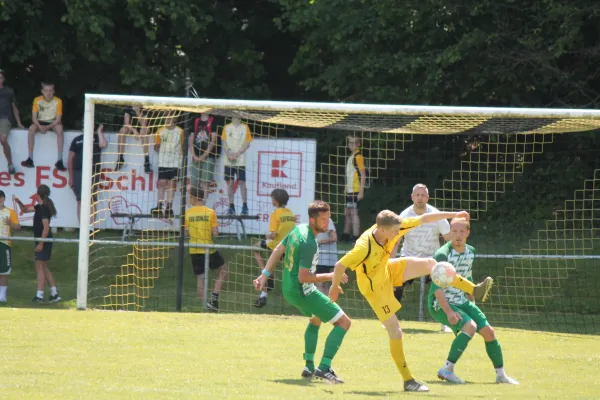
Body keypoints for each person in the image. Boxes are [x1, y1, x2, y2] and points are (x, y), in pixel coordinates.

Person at [330, 209, 494, 392]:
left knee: (433, 265)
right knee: (396, 332)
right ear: (382, 230)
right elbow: (340, 265)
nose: (397, 235)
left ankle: (474, 289)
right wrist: (334, 287)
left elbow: (425, 218)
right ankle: (408, 380)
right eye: (394, 232)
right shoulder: (364, 246)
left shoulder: (395, 226)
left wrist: (452, 214)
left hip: (387, 269)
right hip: (375, 289)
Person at [253, 200, 351, 384]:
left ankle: (309, 365)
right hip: (302, 291)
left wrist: (264, 275)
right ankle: (324, 368)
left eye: (328, 218)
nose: (327, 222)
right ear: (312, 220)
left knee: (315, 319)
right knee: (344, 323)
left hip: (289, 289)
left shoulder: (298, 230)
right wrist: (331, 275)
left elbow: (277, 249)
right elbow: (304, 277)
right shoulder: (309, 243)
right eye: (323, 219)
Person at [429, 217, 519, 385]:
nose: (458, 235)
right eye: (454, 231)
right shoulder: (442, 254)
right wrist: (449, 313)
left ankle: (501, 376)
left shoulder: (470, 251)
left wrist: (473, 304)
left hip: (461, 301)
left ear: (468, 233)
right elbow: (437, 289)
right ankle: (446, 369)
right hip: (440, 303)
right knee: (470, 327)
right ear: (449, 233)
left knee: (489, 332)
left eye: (462, 231)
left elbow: (467, 280)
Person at [396, 183, 452, 332]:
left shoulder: (436, 215)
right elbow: (395, 240)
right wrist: (389, 260)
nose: (420, 198)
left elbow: (449, 238)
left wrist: (447, 258)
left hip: (431, 259)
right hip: (408, 257)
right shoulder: (404, 216)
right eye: (417, 195)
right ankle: (390, 319)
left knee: (442, 285)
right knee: (395, 282)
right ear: (412, 197)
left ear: (427, 198)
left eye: (423, 195)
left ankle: (445, 322)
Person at [14, 185, 61, 303]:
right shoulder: (39, 207)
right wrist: (19, 202)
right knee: (43, 267)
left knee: (39, 267)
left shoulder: (44, 208)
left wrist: (41, 243)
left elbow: (46, 227)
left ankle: (39, 296)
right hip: (42, 240)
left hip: (43, 240)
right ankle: (54, 294)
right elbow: (25, 210)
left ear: (37, 194)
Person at [185, 187, 227, 311]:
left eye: (189, 196)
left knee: (201, 278)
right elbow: (215, 233)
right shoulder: (210, 212)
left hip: (195, 250)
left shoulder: (188, 213)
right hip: (208, 249)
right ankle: (214, 299)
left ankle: (206, 305)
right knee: (223, 270)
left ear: (193, 197)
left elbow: (186, 233)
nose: (188, 199)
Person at [252, 189, 296, 308]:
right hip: (288, 246)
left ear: (275, 201)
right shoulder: (290, 214)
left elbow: (273, 235)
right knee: (273, 268)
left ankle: (263, 270)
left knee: (255, 248)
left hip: (276, 245)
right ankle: (263, 296)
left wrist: (264, 235)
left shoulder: (275, 214)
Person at [68, 124, 108, 228]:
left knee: (92, 199)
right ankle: (82, 227)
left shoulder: (96, 138)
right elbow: (70, 159)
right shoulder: (77, 140)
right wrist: (71, 177)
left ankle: (90, 228)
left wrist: (99, 132)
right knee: (80, 199)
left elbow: (103, 145)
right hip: (78, 171)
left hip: (93, 171)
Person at [21, 82, 66, 171]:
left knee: (60, 130)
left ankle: (59, 160)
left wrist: (48, 127)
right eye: (46, 91)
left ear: (53, 92)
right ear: (42, 91)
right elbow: (34, 118)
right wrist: (40, 126)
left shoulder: (58, 101)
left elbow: (58, 119)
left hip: (53, 122)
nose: (48, 93)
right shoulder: (37, 100)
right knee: (31, 129)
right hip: (40, 121)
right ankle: (30, 158)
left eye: (50, 91)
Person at [152, 113, 184, 218]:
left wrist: (178, 157)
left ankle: (169, 207)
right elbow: (156, 146)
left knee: (172, 184)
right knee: (161, 183)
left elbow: (183, 147)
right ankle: (159, 206)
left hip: (175, 162)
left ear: (174, 119)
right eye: (166, 118)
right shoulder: (160, 131)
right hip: (163, 162)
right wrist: (163, 152)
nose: (167, 120)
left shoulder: (180, 131)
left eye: (169, 118)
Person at [222, 115, 252, 215]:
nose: (235, 116)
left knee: (242, 182)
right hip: (228, 160)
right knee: (230, 183)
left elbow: (247, 143)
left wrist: (237, 153)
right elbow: (224, 144)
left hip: (240, 160)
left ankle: (244, 205)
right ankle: (231, 206)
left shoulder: (245, 127)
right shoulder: (226, 127)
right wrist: (229, 154)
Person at [341, 136, 366, 242]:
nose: (351, 145)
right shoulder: (351, 156)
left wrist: (361, 191)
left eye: (354, 143)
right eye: (349, 143)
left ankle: (356, 236)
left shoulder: (358, 156)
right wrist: (346, 187)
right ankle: (346, 234)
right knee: (348, 212)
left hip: (355, 190)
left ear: (358, 144)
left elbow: (363, 174)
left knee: (354, 212)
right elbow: (351, 174)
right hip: (350, 190)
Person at [115, 104, 152, 174]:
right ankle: (120, 158)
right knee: (122, 130)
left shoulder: (145, 108)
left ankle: (146, 161)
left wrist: (137, 111)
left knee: (144, 130)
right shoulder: (128, 107)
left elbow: (143, 124)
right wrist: (134, 130)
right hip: (132, 129)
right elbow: (126, 123)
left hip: (144, 128)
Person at [0, 69, 24, 174]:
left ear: (3, 79)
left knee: (3, 139)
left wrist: (19, 122)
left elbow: (14, 107)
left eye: (0, 77)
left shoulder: (9, 91)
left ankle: (10, 164)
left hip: (5, 117)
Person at [0, 190, 22, 303]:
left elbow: (18, 227)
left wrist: (10, 223)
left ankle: (2, 296)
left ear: (3, 199)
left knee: (4, 270)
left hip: (4, 243)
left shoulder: (10, 212)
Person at [189, 113, 217, 197]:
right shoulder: (195, 121)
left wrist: (203, 156)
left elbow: (213, 142)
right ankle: (193, 203)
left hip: (208, 156)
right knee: (193, 182)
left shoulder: (213, 121)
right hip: (196, 156)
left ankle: (203, 204)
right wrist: (194, 155)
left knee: (205, 182)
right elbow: (191, 140)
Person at [315, 217, 337, 295]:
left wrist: (320, 242)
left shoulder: (327, 220)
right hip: (321, 258)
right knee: (323, 284)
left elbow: (334, 238)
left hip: (324, 258)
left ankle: (322, 305)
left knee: (319, 284)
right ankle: (329, 304)